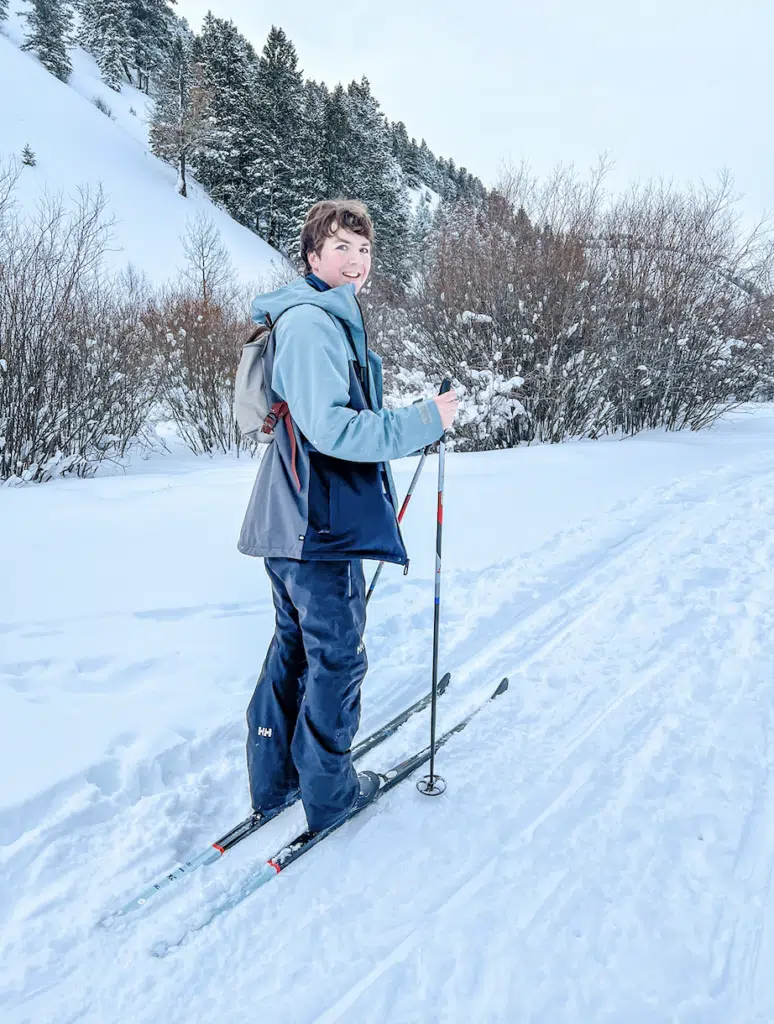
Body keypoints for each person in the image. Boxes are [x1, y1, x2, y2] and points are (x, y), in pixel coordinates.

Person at [238, 199, 459, 834]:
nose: (356, 261)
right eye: (341, 248)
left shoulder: (324, 316)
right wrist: (423, 421)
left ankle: (276, 779)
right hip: (315, 527)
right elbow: (332, 429)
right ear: (312, 257)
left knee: (298, 648)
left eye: (363, 250)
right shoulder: (311, 323)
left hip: (296, 521)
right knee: (337, 657)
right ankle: (329, 794)